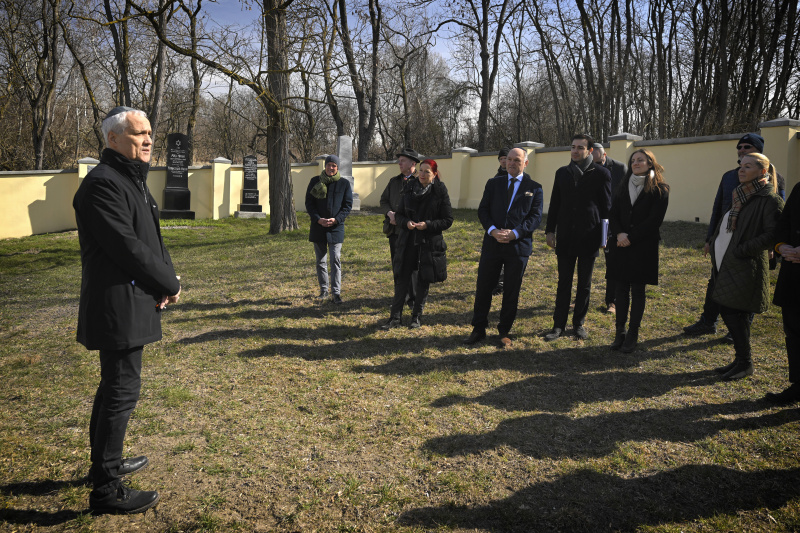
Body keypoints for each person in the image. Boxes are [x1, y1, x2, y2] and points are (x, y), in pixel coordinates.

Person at [73, 106, 181, 514]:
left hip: (132, 299)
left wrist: (165, 279)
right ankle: (105, 489)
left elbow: (150, 238)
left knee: (113, 388)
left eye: (150, 132)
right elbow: (127, 248)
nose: (149, 140)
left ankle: (107, 463)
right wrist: (168, 283)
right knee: (120, 391)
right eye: (139, 134)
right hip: (116, 304)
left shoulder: (128, 178)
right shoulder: (103, 184)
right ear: (113, 139)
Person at [684, 133, 786, 339]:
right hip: (725, 241)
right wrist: (709, 239)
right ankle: (708, 321)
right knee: (716, 282)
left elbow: (777, 220)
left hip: (749, 244)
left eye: (747, 147)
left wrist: (772, 248)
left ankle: (739, 331)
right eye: (739, 148)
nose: (741, 151)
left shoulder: (775, 179)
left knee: (744, 287)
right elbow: (718, 208)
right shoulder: (729, 176)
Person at [708, 153, 783, 381]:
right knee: (729, 310)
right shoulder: (741, 194)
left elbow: (773, 234)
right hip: (725, 260)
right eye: (741, 165)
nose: (741, 170)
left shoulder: (770, 199)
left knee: (732, 310)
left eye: (748, 166)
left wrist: (742, 249)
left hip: (744, 263)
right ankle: (741, 360)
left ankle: (745, 362)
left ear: (762, 172)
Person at [464, 147, 543, 348]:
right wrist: (492, 230)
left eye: (517, 160)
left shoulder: (534, 187)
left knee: (511, 290)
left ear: (525, 163)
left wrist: (515, 233)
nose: (511, 163)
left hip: (518, 247)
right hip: (492, 244)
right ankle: (478, 328)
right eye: (509, 159)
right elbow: (483, 210)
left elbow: (535, 218)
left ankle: (504, 331)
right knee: (483, 287)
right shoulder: (493, 184)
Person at [544, 134, 612, 341]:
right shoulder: (562, 173)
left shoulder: (602, 174)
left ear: (590, 151)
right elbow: (555, 203)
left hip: (589, 236)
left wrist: (605, 235)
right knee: (563, 282)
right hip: (565, 235)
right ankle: (558, 326)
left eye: (580, 147)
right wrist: (550, 230)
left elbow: (607, 208)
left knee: (584, 284)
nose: (575, 151)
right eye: (573, 147)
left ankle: (578, 324)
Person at [606, 149, 670, 353]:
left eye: (640, 160)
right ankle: (620, 333)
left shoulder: (660, 189)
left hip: (643, 246)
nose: (635, 163)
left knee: (638, 290)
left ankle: (633, 333)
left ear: (650, 163)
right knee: (620, 289)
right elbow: (613, 213)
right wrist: (619, 234)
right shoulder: (622, 186)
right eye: (633, 160)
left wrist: (630, 237)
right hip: (620, 243)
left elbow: (654, 221)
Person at [380, 159, 453, 329]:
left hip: (428, 242)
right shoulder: (410, 187)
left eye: (427, 172)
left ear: (434, 174)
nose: (422, 174)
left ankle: (416, 317)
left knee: (423, 279)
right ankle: (395, 318)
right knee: (402, 278)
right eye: (421, 170)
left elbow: (448, 220)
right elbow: (399, 215)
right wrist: (405, 223)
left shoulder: (440, 191)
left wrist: (428, 224)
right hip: (408, 241)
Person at [764, 180, 800, 403]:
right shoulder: (799, 188)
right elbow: (784, 223)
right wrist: (781, 246)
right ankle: (798, 385)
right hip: (794, 273)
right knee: (795, 332)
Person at [306, 154, 353, 304]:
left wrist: (336, 219)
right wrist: (318, 219)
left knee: (335, 259)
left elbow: (347, 206)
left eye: (334, 165)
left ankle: (336, 293)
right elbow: (309, 203)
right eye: (328, 165)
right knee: (320, 261)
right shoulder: (315, 181)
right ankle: (324, 290)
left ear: (337, 167)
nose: (331, 168)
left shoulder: (344, 184)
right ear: (324, 166)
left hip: (336, 227)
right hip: (318, 226)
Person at [380, 147, 421, 307]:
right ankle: (400, 297)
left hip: (411, 231)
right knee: (397, 264)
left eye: (402, 160)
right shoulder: (394, 181)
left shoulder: (420, 181)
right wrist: (389, 213)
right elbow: (383, 201)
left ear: (412, 163)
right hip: (394, 231)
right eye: (399, 160)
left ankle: (413, 298)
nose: (399, 163)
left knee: (412, 266)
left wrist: (404, 219)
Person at [593, 142, 628, 314]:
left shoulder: (620, 169)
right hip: (593, 220)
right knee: (586, 261)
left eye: (598, 163)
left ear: (604, 155)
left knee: (612, 262)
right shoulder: (583, 168)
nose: (595, 166)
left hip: (613, 221)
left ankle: (611, 301)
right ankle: (579, 298)